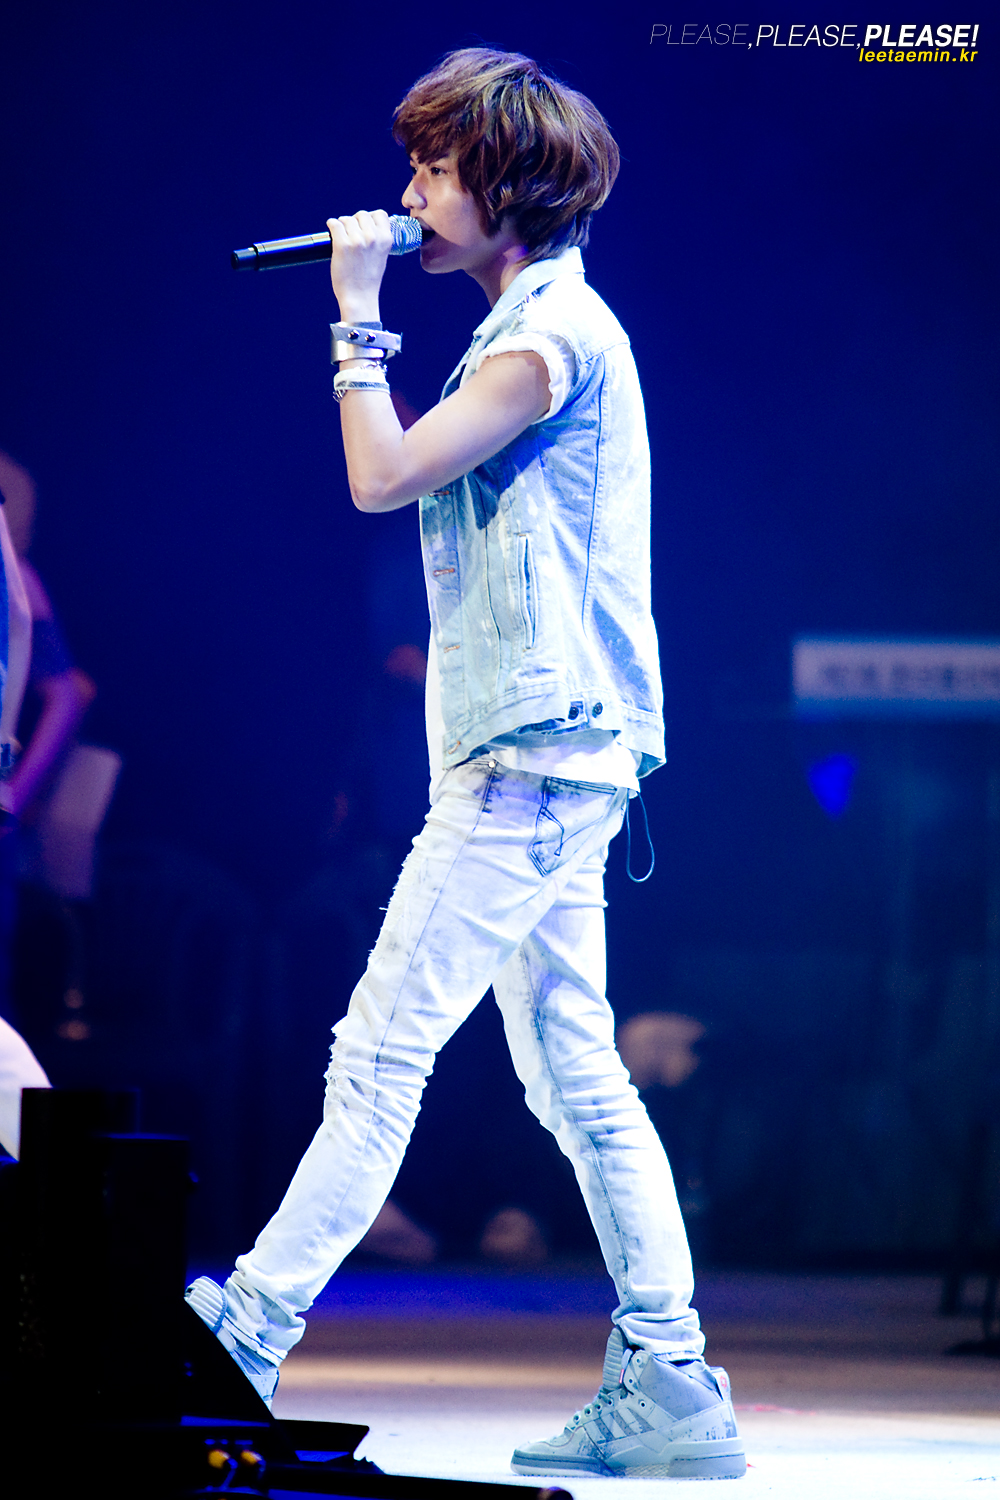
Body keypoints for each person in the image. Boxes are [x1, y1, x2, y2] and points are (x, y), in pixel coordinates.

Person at [188, 49, 745, 1481]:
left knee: (382, 1050)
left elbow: (380, 476)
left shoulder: (547, 339)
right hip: (556, 753)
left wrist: (354, 318)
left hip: (535, 759)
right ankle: (673, 1378)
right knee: (574, 1072)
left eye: (433, 171)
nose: (408, 196)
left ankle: (245, 1330)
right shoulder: (535, 329)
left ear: (509, 190)